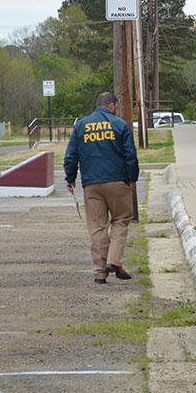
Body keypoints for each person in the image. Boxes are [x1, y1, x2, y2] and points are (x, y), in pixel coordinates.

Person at [64, 92, 139, 284]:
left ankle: (99, 272)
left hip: (91, 184)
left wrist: (70, 177)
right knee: (121, 219)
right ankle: (114, 260)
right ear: (112, 105)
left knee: (97, 227)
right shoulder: (120, 125)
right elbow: (130, 155)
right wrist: (132, 179)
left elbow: (71, 155)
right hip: (117, 181)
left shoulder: (81, 125)